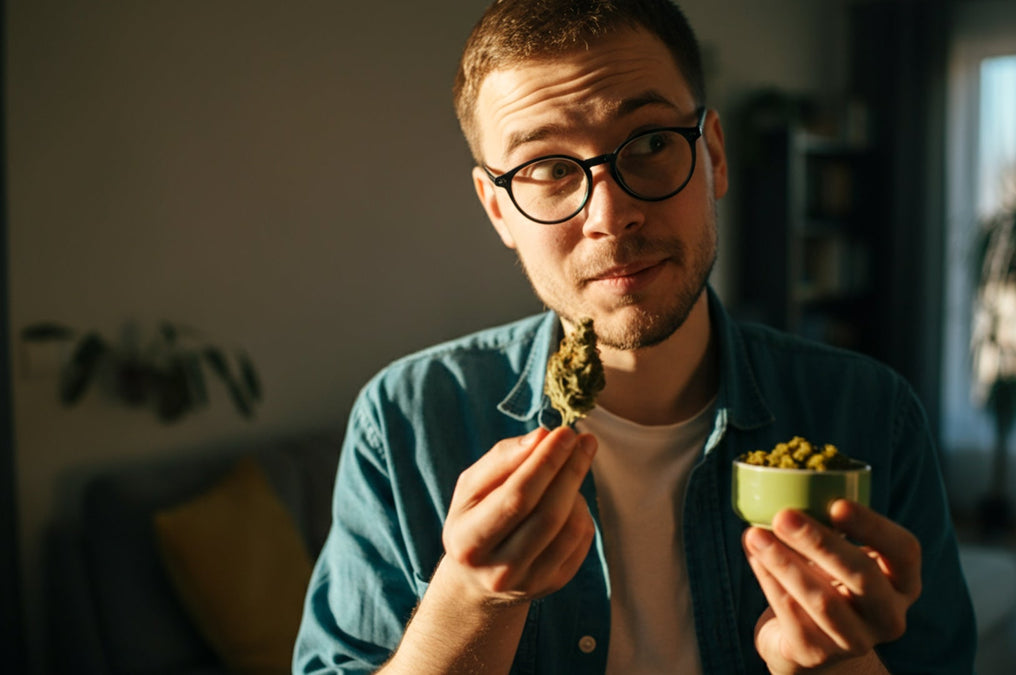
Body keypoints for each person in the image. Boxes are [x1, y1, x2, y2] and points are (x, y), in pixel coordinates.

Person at [294, 1, 977, 673]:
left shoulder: (871, 413)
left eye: (650, 143)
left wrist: (834, 666)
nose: (611, 214)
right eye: (552, 168)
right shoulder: (403, 422)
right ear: (499, 209)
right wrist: (473, 598)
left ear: (713, 155)